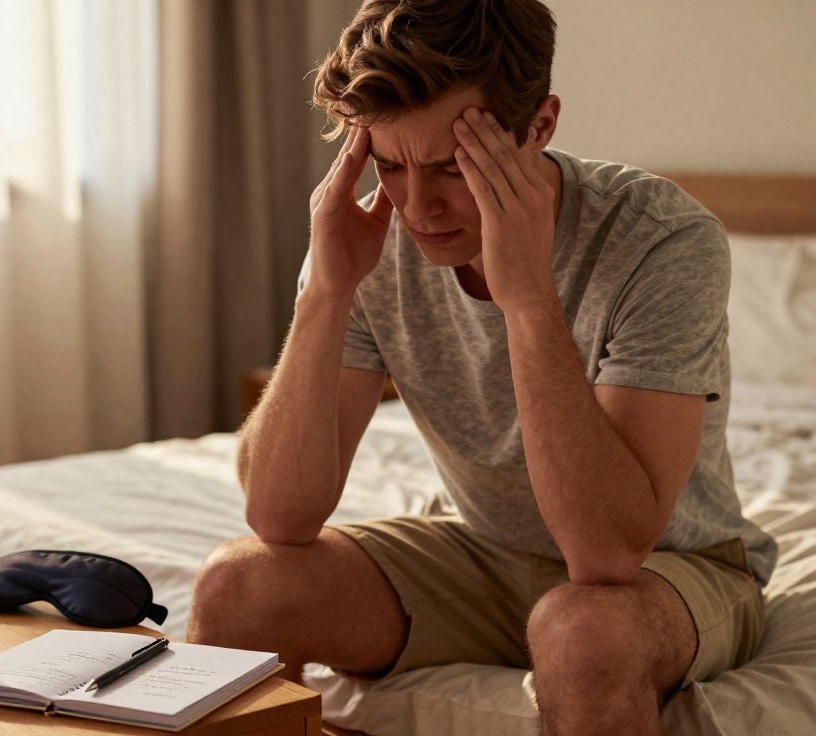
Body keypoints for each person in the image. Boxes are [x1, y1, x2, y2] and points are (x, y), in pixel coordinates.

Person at [187, 1, 777, 733]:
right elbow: (280, 514)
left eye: (452, 167)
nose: (417, 206)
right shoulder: (371, 236)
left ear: (541, 126)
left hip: (667, 568)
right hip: (481, 552)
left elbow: (606, 552)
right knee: (235, 587)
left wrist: (528, 297)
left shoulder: (662, 241)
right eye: (390, 165)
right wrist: (325, 292)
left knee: (584, 631)